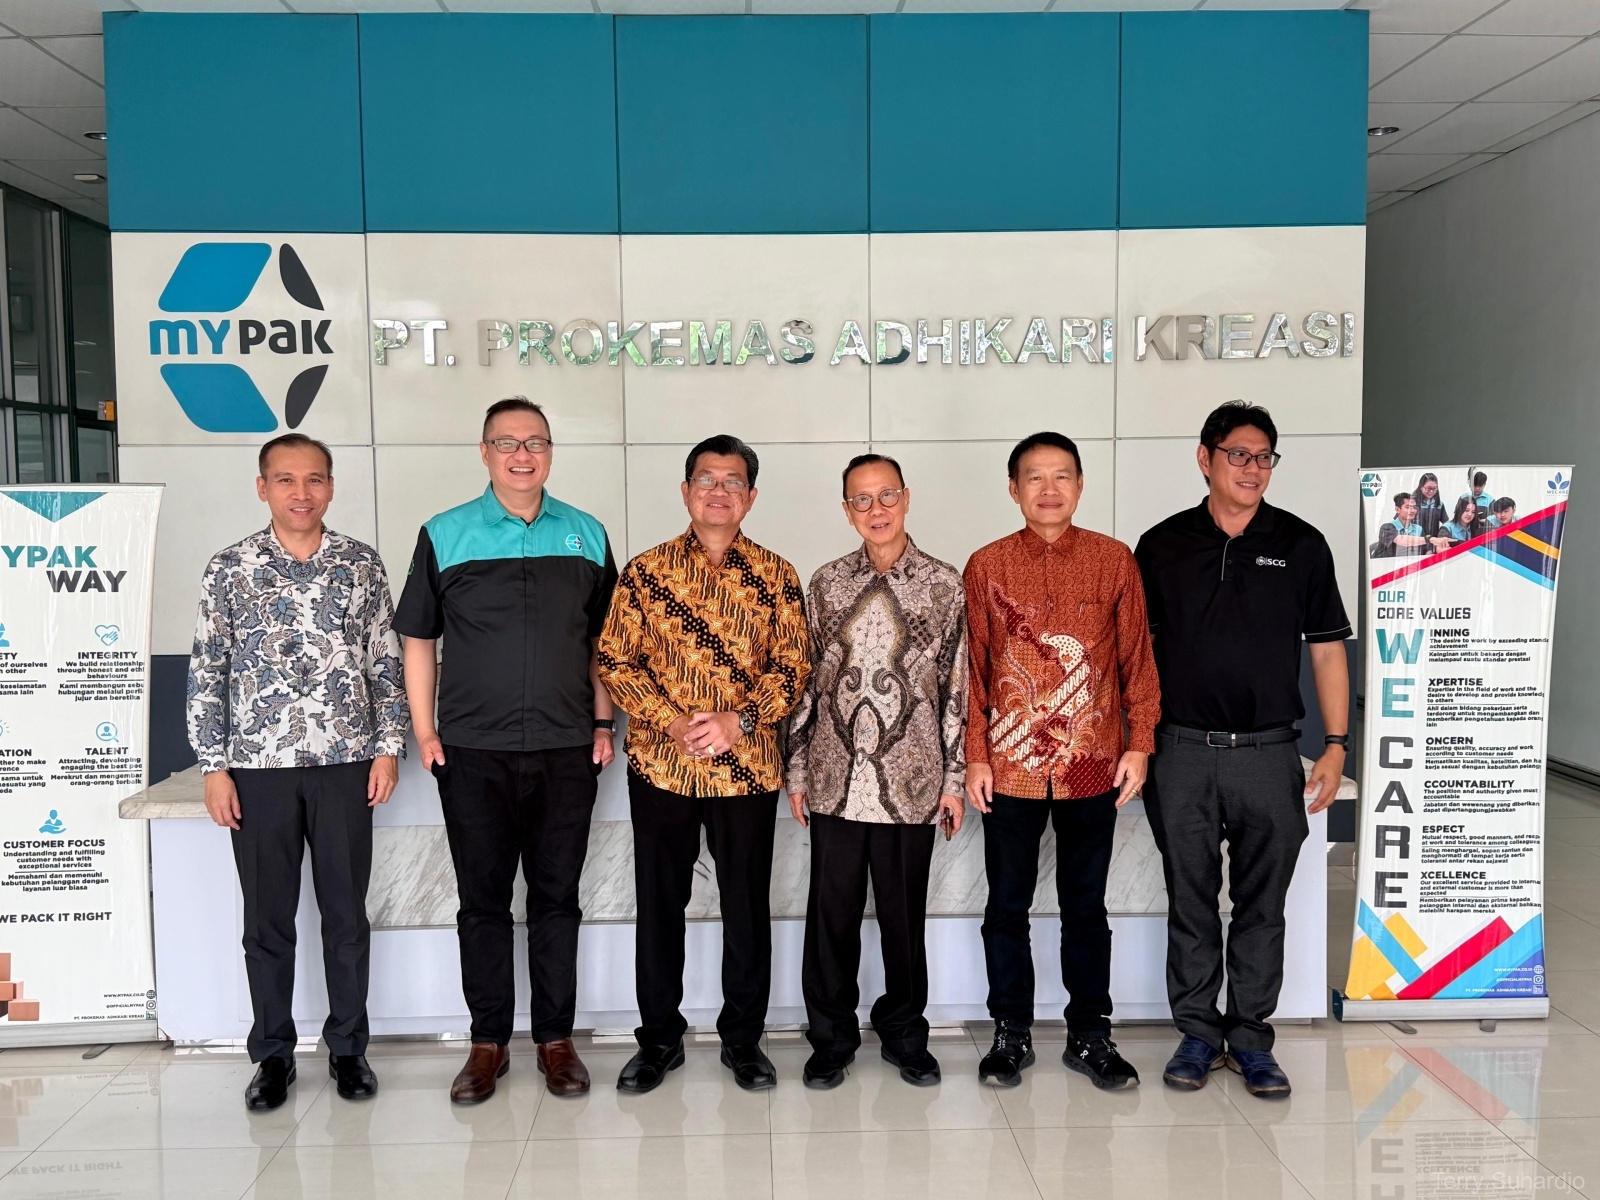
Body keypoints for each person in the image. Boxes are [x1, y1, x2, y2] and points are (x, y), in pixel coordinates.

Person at [394, 397, 618, 1104]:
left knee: (557, 900)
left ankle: (556, 1040)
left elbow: (603, 644)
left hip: (565, 748)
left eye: (536, 443)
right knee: (482, 902)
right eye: (508, 443)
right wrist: (425, 731)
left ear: (550, 452)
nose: (523, 455)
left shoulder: (587, 534)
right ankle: (487, 1042)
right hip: (472, 750)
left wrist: (604, 723)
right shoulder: (445, 533)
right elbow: (418, 639)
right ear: (485, 452)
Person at [1133, 401, 1351, 1100]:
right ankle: (1198, 1035)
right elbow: (1136, 657)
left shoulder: (1302, 544)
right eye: (1238, 455)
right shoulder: (1161, 545)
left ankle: (1252, 1039)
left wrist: (1336, 744)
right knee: (1191, 900)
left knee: (1262, 904)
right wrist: (1136, 742)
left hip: (1269, 752)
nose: (1252, 469)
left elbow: (1327, 651)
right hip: (1182, 751)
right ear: (1206, 458)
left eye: (1263, 458)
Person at [188, 433, 408, 1111]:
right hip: (258, 768)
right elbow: (208, 669)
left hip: (345, 762)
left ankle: (348, 1049)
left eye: (314, 479)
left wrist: (388, 747)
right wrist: (214, 766)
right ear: (263, 488)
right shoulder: (229, 568)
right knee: (267, 919)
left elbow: (384, 659)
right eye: (285, 480)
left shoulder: (360, 564)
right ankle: (273, 1055)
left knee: (345, 915)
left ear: (331, 487)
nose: (301, 493)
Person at [598, 435, 810, 1094]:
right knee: (660, 907)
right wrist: (670, 720)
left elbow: (795, 667)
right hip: (663, 769)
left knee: (746, 908)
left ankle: (743, 1041)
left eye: (733, 481)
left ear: (751, 496)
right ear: (686, 491)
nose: (719, 491)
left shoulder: (776, 575)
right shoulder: (645, 573)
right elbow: (614, 660)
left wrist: (737, 720)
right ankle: (658, 1041)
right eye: (707, 479)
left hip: (747, 771)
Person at [964, 432, 1159, 1092]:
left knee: (1085, 907)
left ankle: (1090, 1035)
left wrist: (1139, 743)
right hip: (1011, 763)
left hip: (1090, 761)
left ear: (1079, 485)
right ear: (1013, 489)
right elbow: (974, 672)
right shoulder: (986, 565)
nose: (1049, 489)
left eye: (1062, 476)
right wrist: (976, 757)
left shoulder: (1113, 561)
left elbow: (1137, 661)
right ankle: (1009, 1034)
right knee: (1006, 905)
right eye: (1034, 477)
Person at [786, 454, 968, 1090]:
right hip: (835, 781)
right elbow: (807, 685)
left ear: (906, 498)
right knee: (830, 918)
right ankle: (830, 1038)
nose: (876, 509)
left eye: (886, 495)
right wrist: (797, 772)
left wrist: (952, 781)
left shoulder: (943, 584)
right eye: (861, 500)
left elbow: (957, 689)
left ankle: (905, 1034)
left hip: (912, 783)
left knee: (902, 920)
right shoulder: (826, 584)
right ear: (847, 511)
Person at [1413, 473, 1444, 539]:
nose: (1431, 491)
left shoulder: (1439, 504)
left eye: (1434, 488)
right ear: (1421, 487)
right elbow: (1400, 520)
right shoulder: (1411, 503)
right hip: (1416, 541)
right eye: (1428, 488)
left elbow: (1446, 522)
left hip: (1433, 541)